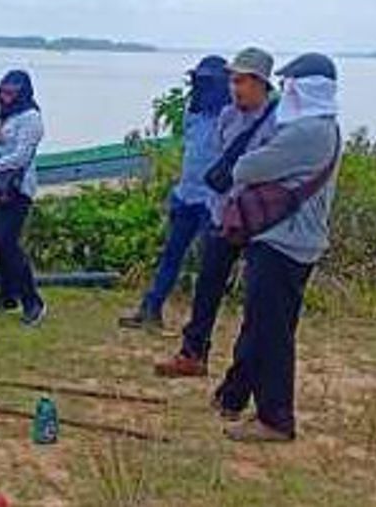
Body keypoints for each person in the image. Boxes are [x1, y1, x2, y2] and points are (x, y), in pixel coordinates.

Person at [216, 53, 341, 442]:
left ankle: (275, 418)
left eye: (291, 86)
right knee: (262, 324)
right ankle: (233, 395)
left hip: (283, 241)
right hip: (290, 240)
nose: (285, 92)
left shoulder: (308, 133)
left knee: (271, 332)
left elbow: (246, 169)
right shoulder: (321, 128)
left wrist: (249, 162)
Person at [155, 47, 277, 378]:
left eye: (242, 81)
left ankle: (247, 370)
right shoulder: (227, 116)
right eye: (233, 80)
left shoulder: (276, 122)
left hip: (257, 218)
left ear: (261, 83)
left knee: (257, 297)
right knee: (207, 285)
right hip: (221, 212)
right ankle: (193, 354)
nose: (235, 87)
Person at [120, 55, 231, 329]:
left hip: (213, 201)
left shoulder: (232, 116)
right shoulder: (192, 112)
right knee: (171, 256)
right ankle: (151, 309)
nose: (203, 87)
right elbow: (191, 151)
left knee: (209, 266)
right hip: (186, 195)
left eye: (209, 82)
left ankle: (200, 324)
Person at [0, 70, 47, 327]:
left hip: (18, 189)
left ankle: (33, 302)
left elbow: (21, 157)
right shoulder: (4, 117)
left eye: (10, 93)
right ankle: (6, 295)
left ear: (22, 93)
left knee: (9, 243)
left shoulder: (31, 119)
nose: (5, 97)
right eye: (2, 92)